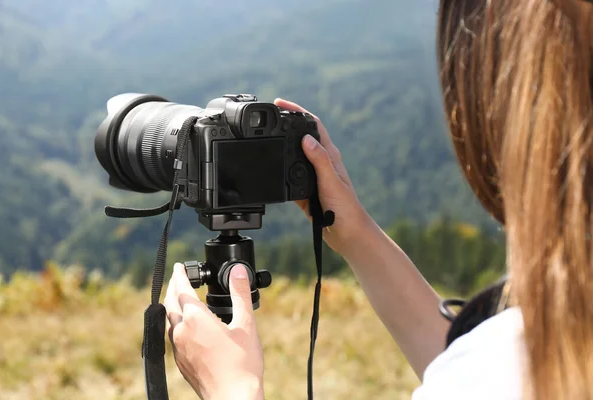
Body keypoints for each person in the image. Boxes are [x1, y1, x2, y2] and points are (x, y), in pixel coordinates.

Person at [163, 0, 593, 398]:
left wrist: (234, 388)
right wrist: (354, 232)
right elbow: (469, 364)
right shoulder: (542, 345)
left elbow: (479, 375)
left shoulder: (506, 367)